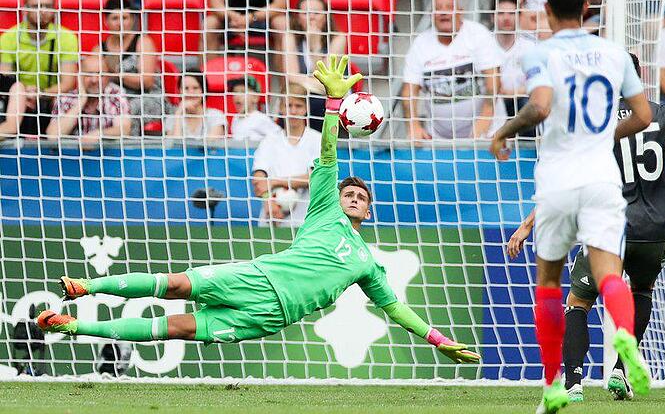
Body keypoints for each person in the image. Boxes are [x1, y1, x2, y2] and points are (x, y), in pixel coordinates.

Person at [37, 55, 481, 368]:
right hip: (256, 275)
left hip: (269, 315)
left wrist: (438, 340)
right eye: (349, 192)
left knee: (170, 328)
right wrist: (330, 104)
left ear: (368, 211)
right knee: (172, 284)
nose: (353, 197)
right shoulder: (324, 210)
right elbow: (328, 151)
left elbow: (396, 309)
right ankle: (85, 286)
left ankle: (74, 327)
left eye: (361, 197)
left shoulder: (366, 263)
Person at [508, 54, 665, 403]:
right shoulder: (662, 113)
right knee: (642, 291)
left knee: (578, 302)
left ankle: (574, 382)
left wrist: (529, 224)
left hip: (611, 228)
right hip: (655, 231)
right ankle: (621, 370)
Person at [488, 0, 653, 412]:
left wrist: (504, 130)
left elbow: (540, 106)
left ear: (544, 9)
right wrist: (601, 137)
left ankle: (552, 385)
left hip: (559, 179)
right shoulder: (616, 54)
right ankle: (624, 337)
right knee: (610, 276)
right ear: (586, 5)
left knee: (549, 282)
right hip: (602, 178)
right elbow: (645, 115)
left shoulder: (539, 53)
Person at [401, 0, 503, 140]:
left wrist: (486, 117)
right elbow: (409, 90)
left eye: (449, 7)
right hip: (440, 140)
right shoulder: (420, 44)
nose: (443, 12)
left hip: (487, 134)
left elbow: (493, 79)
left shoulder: (478, 34)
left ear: (460, 11)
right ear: (431, 14)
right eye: (438, 8)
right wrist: (413, 124)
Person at [0, 0, 79, 134]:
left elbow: (68, 83)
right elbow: (5, 79)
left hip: (51, 98)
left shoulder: (67, 38)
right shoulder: (8, 38)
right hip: (17, 97)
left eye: (47, 6)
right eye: (36, 6)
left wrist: (41, 93)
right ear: (25, 8)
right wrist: (24, 93)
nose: (42, 11)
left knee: (67, 99)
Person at [94, 0, 173, 135]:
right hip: (114, 97)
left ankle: (130, 150)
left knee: (125, 111)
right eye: (114, 18)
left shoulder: (142, 42)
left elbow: (146, 81)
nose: (120, 23)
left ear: (132, 20)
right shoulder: (99, 49)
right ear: (106, 21)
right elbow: (94, 79)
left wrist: (114, 74)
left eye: (125, 18)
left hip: (147, 98)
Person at [251, 83, 320, 227]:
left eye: (298, 106)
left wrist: (275, 182)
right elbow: (259, 179)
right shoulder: (269, 141)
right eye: (288, 105)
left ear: (306, 108)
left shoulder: (318, 140)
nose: (293, 111)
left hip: (306, 223)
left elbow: (315, 179)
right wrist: (269, 202)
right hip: (272, 221)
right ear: (281, 108)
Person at [282, 0, 347, 135]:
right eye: (306, 13)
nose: (311, 17)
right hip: (303, 96)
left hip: (332, 99)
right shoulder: (290, 37)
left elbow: (328, 80)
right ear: (298, 18)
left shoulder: (338, 39)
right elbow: (291, 77)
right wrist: (319, 85)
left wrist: (315, 46)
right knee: (293, 103)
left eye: (316, 13)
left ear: (326, 16)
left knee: (317, 103)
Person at [45, 55, 131, 146]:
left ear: (107, 77)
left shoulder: (116, 96)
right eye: (89, 74)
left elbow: (124, 130)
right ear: (80, 76)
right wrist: (81, 100)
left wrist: (99, 134)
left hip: (108, 157)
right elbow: (52, 135)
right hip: (73, 157)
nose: (94, 80)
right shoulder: (66, 98)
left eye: (99, 74)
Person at [204, 0, 288, 58]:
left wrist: (252, 17)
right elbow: (215, 3)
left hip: (264, 18)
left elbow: (280, 4)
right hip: (231, 19)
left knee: (282, 24)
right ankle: (208, 73)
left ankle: (284, 74)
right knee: (209, 24)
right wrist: (235, 17)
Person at [493, 0, 536, 120]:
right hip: (492, 101)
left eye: (512, 13)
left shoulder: (530, 47)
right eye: (500, 13)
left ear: (519, 17)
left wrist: (514, 93)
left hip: (521, 100)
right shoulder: (484, 46)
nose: (506, 18)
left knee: (528, 105)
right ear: (492, 17)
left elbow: (537, 82)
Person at [166, 71, 227, 139]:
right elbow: (174, 147)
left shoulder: (216, 115)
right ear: (180, 91)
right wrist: (178, 114)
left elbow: (211, 144)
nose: (191, 93)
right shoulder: (172, 118)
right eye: (186, 88)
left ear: (203, 90)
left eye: (195, 88)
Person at [228, 76, 281, 141]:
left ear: (255, 98)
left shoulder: (260, 118)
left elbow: (279, 136)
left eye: (243, 92)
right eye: (235, 92)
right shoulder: (235, 118)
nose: (237, 96)